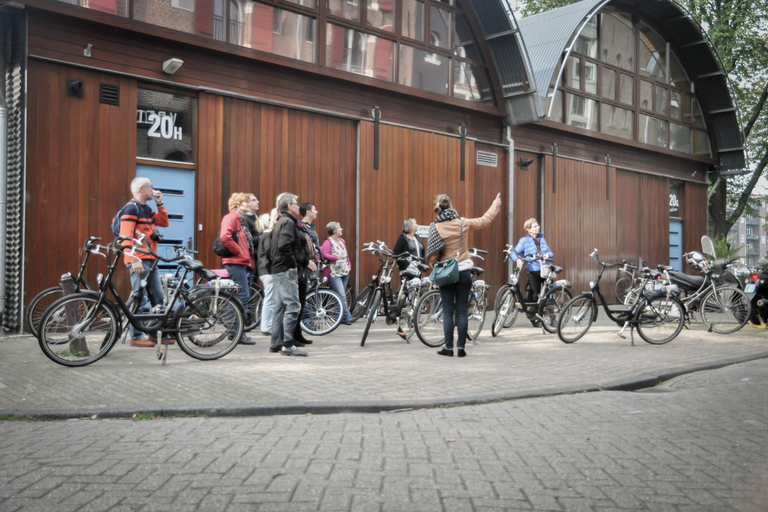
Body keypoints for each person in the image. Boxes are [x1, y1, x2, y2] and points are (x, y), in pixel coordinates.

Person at [426, 192, 502, 358]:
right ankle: (461, 348)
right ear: (451, 206)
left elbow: (432, 256)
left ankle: (448, 347)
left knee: (447, 311)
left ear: (438, 209)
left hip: (446, 274)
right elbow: (485, 220)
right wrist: (494, 205)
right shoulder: (463, 223)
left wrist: (434, 265)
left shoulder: (435, 227)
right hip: (465, 272)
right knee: (461, 311)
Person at [118, 177, 170, 347]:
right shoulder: (130, 209)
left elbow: (163, 222)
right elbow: (125, 237)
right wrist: (133, 259)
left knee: (158, 298)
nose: (154, 190)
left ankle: (156, 335)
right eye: (151, 187)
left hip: (151, 260)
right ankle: (136, 336)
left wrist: (160, 204)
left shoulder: (146, 208)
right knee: (140, 298)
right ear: (141, 189)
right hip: (139, 261)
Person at [269, 193, 309, 356]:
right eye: (296, 204)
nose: (299, 206)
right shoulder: (288, 222)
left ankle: (276, 343)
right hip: (285, 270)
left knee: (280, 307)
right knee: (293, 306)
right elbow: (284, 245)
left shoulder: (282, 221)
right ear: (289, 206)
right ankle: (287, 345)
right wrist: (292, 265)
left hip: (279, 269)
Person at [220, 192, 256, 345]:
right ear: (237, 204)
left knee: (236, 297)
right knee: (242, 297)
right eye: (246, 202)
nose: (249, 204)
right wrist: (239, 252)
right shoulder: (232, 217)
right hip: (235, 262)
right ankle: (237, 333)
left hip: (240, 262)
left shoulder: (240, 219)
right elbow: (224, 237)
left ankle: (233, 331)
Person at [393, 218, 425, 338]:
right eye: (415, 223)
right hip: (407, 271)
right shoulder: (403, 238)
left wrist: (423, 266)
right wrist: (406, 265)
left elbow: (421, 253)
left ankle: (414, 319)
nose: (417, 225)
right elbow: (396, 254)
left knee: (417, 295)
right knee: (406, 295)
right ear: (409, 226)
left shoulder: (417, 238)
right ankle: (400, 318)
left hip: (418, 271)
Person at [320, 222, 353, 325]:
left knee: (338, 295)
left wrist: (349, 263)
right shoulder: (328, 242)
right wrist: (336, 257)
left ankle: (338, 317)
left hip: (344, 271)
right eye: (339, 228)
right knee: (342, 296)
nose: (341, 229)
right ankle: (347, 318)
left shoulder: (342, 241)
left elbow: (346, 254)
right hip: (334, 273)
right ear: (334, 231)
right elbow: (324, 254)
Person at [514, 218, 553, 301]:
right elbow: (514, 252)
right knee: (535, 293)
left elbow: (551, 253)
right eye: (534, 226)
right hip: (534, 269)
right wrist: (518, 259)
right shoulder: (524, 241)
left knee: (549, 291)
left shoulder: (542, 239)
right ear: (528, 229)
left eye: (537, 225)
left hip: (546, 269)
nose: (537, 227)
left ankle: (548, 307)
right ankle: (534, 311)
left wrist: (548, 254)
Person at [256, 209, 279, 336]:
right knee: (271, 299)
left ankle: (267, 325)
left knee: (270, 299)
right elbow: (270, 252)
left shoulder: (264, 235)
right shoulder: (268, 234)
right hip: (269, 270)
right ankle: (266, 326)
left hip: (265, 270)